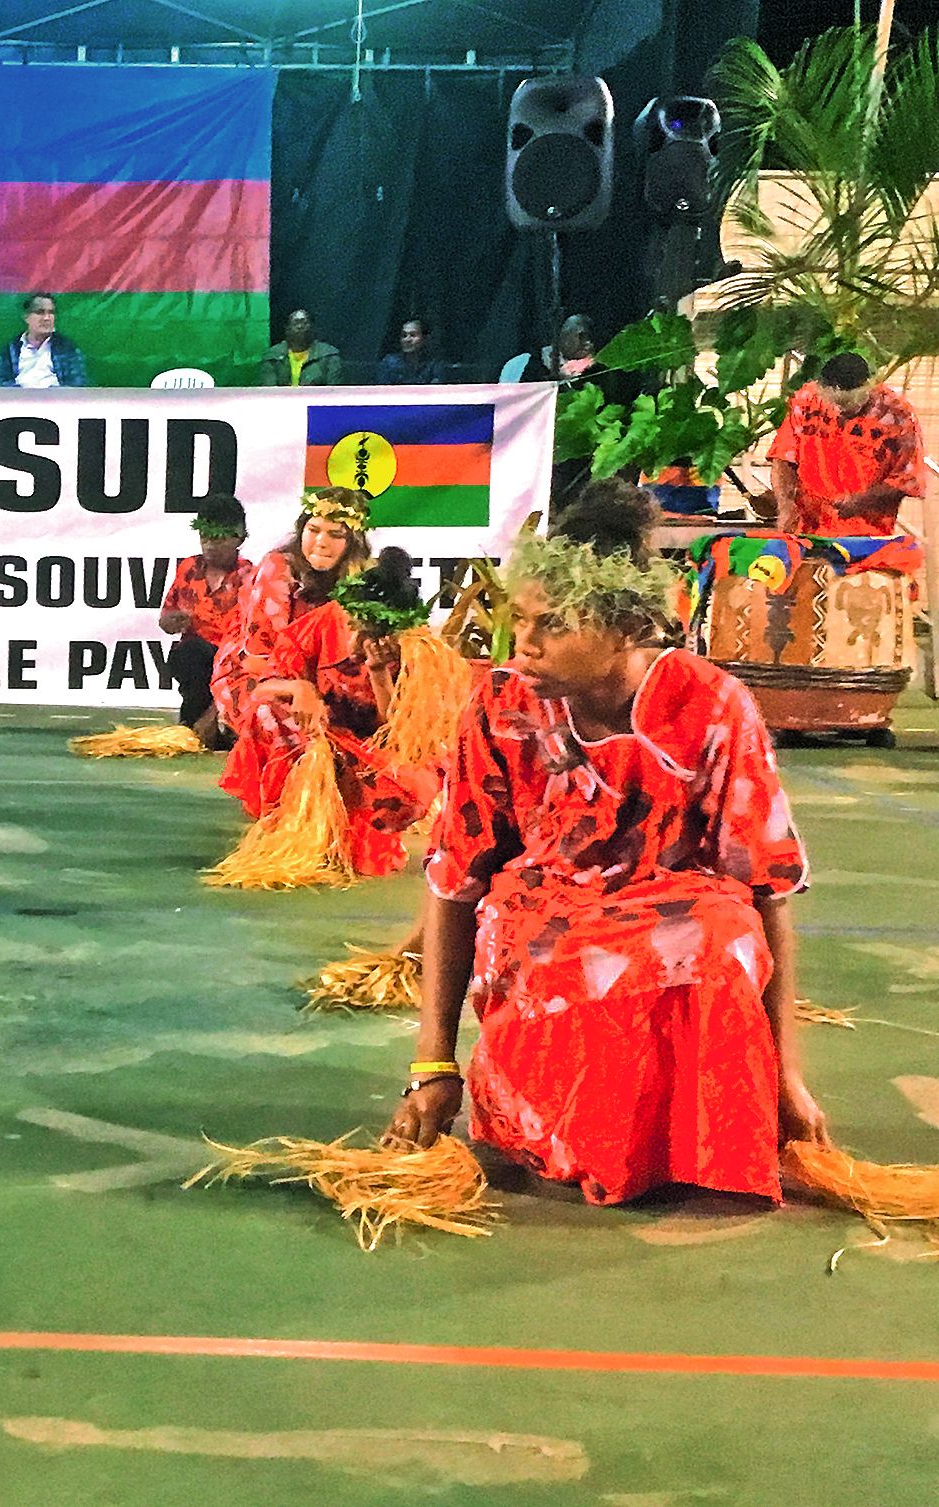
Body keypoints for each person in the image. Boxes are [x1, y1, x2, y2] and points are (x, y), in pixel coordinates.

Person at [390, 480, 827, 1205]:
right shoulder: (500, 707)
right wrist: (432, 1064)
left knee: (725, 932)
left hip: (670, 912)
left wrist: (785, 1083)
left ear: (624, 624)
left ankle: (688, 1140)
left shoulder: (713, 704)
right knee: (557, 949)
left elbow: (766, 889)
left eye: (551, 625)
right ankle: (567, 1131)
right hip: (541, 915)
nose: (521, 645)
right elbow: (454, 883)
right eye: (519, 620)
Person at [218, 547, 442, 877]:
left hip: (374, 758)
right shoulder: (323, 622)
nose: (353, 637)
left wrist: (379, 674)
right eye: (350, 624)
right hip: (318, 740)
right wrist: (300, 689)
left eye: (367, 631)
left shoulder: (419, 652)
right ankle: (289, 822)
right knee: (266, 714)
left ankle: (346, 826)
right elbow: (262, 688)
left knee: (408, 785)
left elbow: (404, 738)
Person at [210, 488, 371, 743]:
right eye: (313, 530)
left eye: (335, 535)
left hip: (322, 683)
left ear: (353, 542)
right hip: (257, 679)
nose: (321, 542)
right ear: (301, 531)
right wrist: (302, 689)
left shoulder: (362, 579)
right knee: (304, 731)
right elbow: (256, 660)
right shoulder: (278, 569)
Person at [769, 352, 926, 536]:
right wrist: (786, 506)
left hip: (865, 534)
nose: (841, 410)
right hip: (806, 529)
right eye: (834, 402)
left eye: (850, 402)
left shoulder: (899, 417)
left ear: (870, 386)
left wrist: (861, 501)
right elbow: (783, 458)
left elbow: (907, 479)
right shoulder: (805, 400)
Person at [157, 496, 253, 743]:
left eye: (218, 539)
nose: (210, 546)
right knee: (190, 651)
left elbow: (251, 642)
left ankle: (207, 724)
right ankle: (200, 729)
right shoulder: (189, 567)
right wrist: (172, 620)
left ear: (239, 538)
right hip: (193, 660)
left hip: (233, 662)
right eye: (205, 538)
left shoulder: (250, 577)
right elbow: (166, 619)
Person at [0, 293, 87, 388]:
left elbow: (77, 382)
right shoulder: (11, 349)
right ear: (26, 317)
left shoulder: (66, 347)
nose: (47, 318)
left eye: (51, 312)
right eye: (40, 312)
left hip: (56, 401)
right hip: (19, 400)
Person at [258, 309, 343, 387]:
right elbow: (269, 392)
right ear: (287, 328)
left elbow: (333, 394)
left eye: (304, 323)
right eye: (295, 323)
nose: (300, 326)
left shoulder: (329, 356)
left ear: (312, 328)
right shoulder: (272, 357)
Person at [376, 319, 445, 385]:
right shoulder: (389, 363)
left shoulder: (434, 363)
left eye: (412, 335)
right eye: (404, 335)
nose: (407, 340)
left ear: (424, 338)